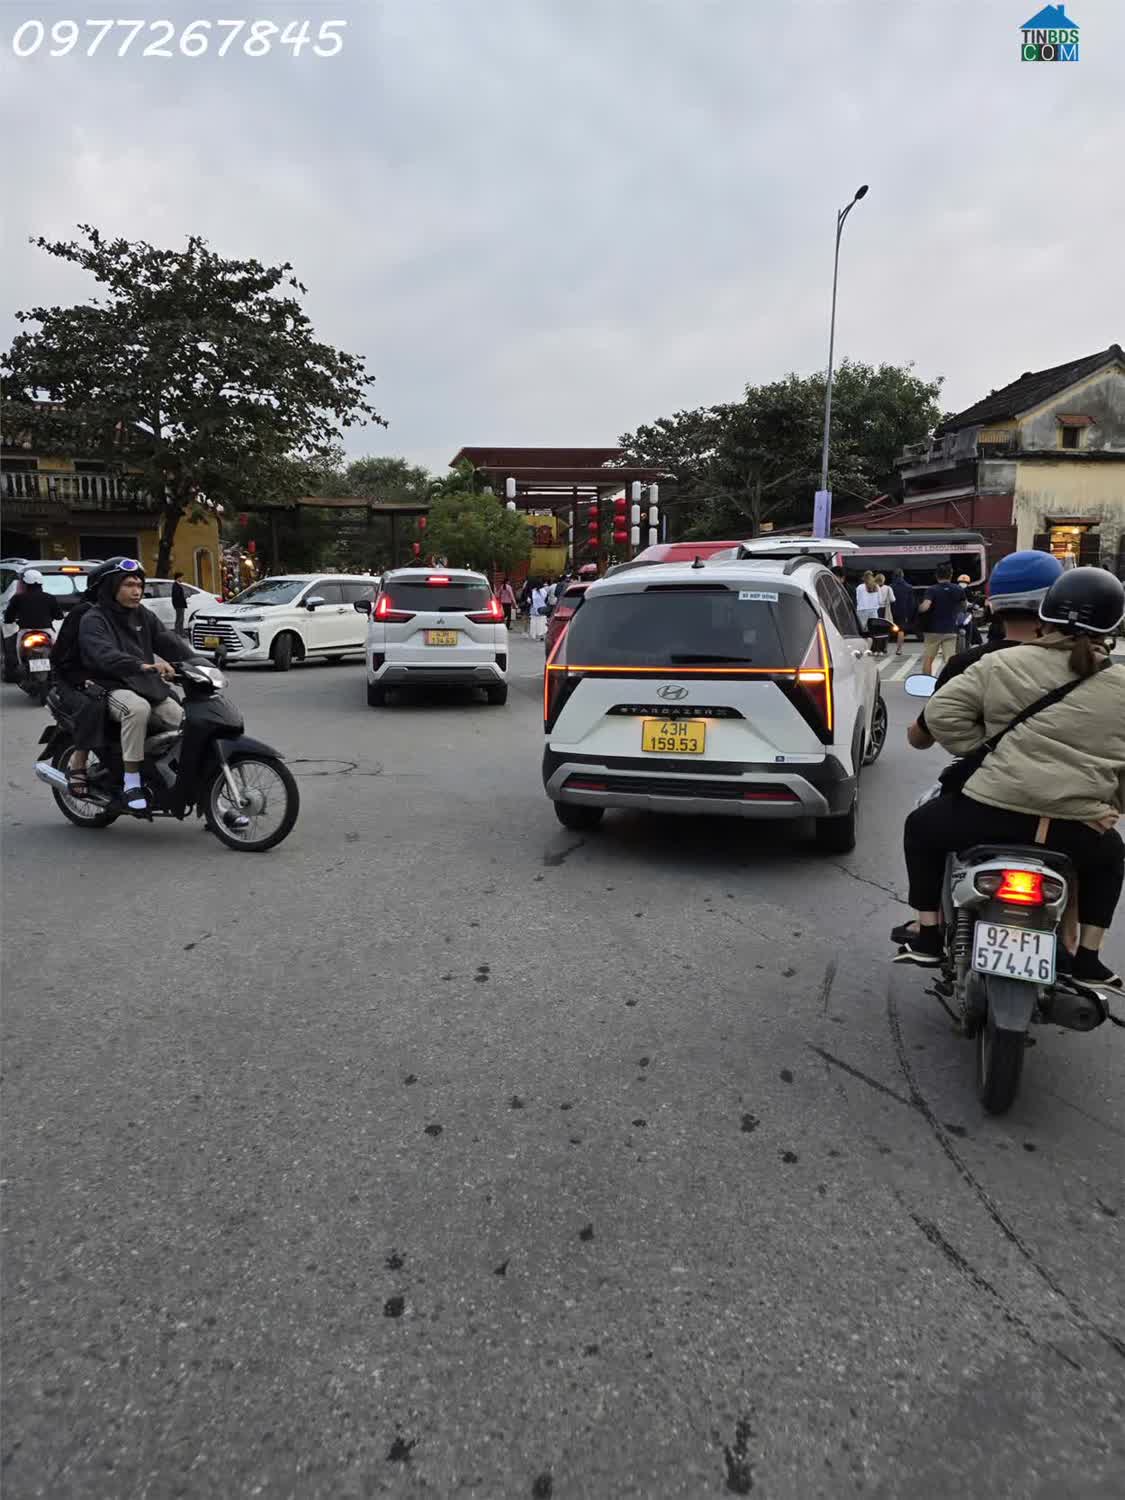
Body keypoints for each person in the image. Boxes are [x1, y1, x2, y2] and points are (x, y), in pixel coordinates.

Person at [895, 566, 1125, 990]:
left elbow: (940, 716)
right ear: (1112, 627)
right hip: (1075, 828)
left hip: (989, 813)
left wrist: (986, 752)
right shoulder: (1120, 684)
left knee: (921, 827)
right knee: (1110, 856)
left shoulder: (1000, 662)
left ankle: (927, 935)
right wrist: (1108, 805)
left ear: (1046, 617)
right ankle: (1089, 959)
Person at [78, 558, 193, 813]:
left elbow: (169, 641)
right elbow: (103, 654)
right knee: (137, 709)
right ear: (111, 587)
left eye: (139, 585)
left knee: (185, 720)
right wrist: (143, 666)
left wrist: (201, 664)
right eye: (129, 585)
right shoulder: (94, 619)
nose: (136, 591)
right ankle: (131, 781)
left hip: (145, 685)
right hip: (109, 686)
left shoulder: (143, 615)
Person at [917, 564, 967, 675]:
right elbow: (964, 606)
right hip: (951, 629)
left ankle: (926, 681)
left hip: (932, 630)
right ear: (951, 575)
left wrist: (917, 609)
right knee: (950, 660)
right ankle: (949, 681)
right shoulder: (958, 589)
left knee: (928, 658)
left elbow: (925, 607)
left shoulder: (932, 590)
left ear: (936, 576)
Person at [889, 569, 915, 655]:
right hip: (903, 612)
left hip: (892, 611)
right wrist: (910, 615)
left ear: (894, 576)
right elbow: (911, 603)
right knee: (901, 630)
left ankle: (883, 648)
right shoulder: (909, 587)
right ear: (902, 575)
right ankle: (899, 649)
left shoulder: (890, 587)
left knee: (887, 628)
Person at [171, 571, 188, 636]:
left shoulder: (177, 585)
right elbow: (176, 595)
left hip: (180, 604)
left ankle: (180, 632)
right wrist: (184, 597)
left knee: (181, 619)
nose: (182, 579)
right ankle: (178, 633)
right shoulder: (175, 585)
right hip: (179, 605)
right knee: (179, 619)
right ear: (178, 578)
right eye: (181, 578)